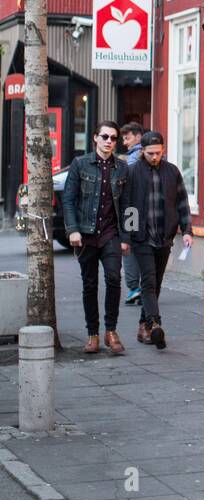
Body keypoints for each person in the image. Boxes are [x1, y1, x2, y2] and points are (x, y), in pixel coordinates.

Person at [62, 121, 128, 355]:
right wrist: (73, 230)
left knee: (113, 279)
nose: (109, 141)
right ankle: (93, 334)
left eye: (113, 138)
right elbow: (68, 199)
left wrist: (126, 237)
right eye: (105, 137)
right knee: (89, 284)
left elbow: (130, 206)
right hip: (87, 235)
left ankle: (111, 331)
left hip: (111, 234)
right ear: (95, 138)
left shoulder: (122, 168)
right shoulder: (80, 164)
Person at [123, 130, 193, 350]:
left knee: (156, 283)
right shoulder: (132, 172)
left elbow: (182, 202)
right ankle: (155, 324)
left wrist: (187, 230)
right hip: (142, 238)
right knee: (149, 281)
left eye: (158, 153)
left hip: (165, 236)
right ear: (142, 151)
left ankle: (144, 325)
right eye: (150, 153)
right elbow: (128, 206)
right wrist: (129, 237)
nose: (155, 157)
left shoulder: (172, 171)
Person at [120, 122, 144, 306]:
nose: (124, 142)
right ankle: (142, 286)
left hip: (131, 210)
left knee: (127, 247)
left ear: (137, 137)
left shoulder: (134, 157)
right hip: (142, 209)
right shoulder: (148, 154)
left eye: (127, 138)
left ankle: (134, 287)